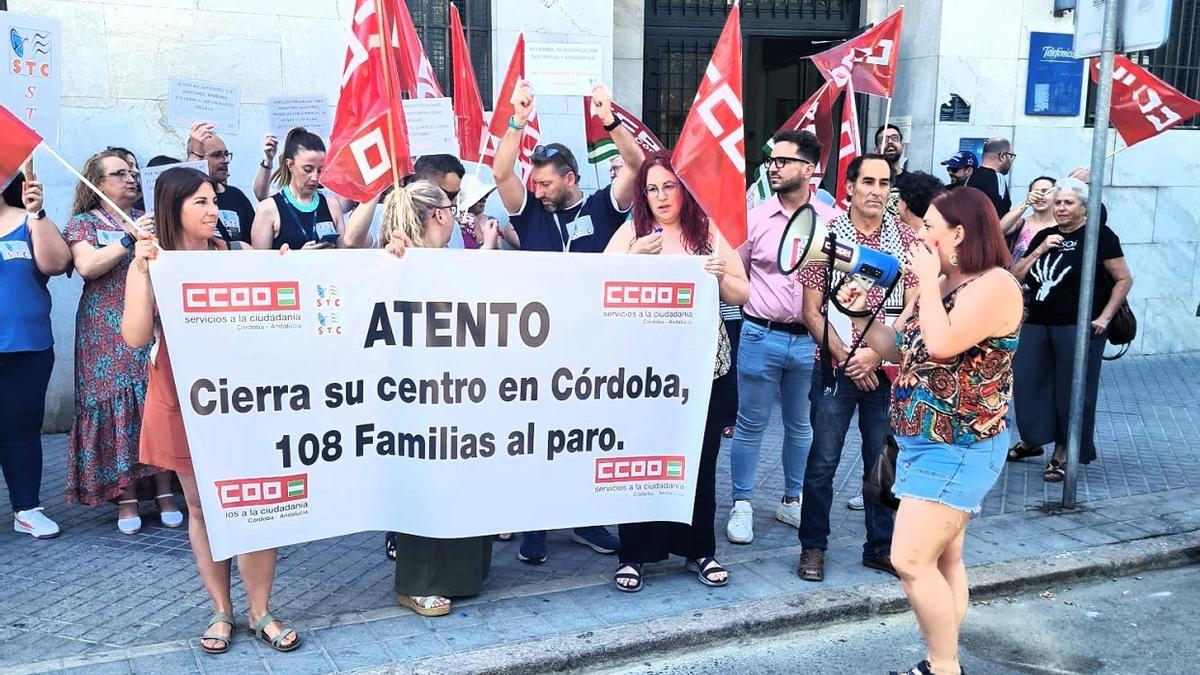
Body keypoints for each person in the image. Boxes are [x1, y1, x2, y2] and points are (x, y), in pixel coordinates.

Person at [839, 187, 1024, 675]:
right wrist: (860, 311)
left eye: (927, 227)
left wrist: (922, 277)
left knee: (909, 559)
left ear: (958, 234)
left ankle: (943, 666)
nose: (918, 234)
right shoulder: (946, 282)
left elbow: (941, 345)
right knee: (944, 562)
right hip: (925, 442)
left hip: (960, 445)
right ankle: (941, 655)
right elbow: (902, 350)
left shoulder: (996, 285)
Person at [122, 167, 300, 654]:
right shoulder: (153, 261)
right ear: (173, 207)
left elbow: (282, 295)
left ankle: (260, 610)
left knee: (256, 504)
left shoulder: (232, 253)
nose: (212, 210)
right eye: (199, 202)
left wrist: (285, 267)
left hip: (243, 399)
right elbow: (136, 336)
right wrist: (141, 271)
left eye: (212, 200)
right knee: (200, 507)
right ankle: (222, 609)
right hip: (181, 398)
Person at [494, 81, 645, 563]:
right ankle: (536, 523)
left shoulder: (603, 206)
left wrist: (610, 119)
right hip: (539, 348)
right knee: (539, 437)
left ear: (571, 178)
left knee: (586, 437)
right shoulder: (530, 213)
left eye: (546, 183)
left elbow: (639, 167)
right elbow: (501, 173)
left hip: (597, 348)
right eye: (535, 182)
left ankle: (585, 519)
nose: (537, 190)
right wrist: (517, 119)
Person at [604, 151, 749, 591]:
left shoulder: (709, 233)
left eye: (669, 186)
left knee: (699, 463)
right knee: (641, 460)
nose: (661, 196)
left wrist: (722, 276)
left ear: (684, 188)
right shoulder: (633, 232)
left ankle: (698, 549)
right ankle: (635, 553)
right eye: (652, 188)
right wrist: (631, 259)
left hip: (704, 370)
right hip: (645, 376)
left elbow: (743, 294)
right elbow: (597, 284)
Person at [370, 179, 495, 616]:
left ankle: (464, 571)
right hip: (418, 395)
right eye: (451, 206)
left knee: (462, 477)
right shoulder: (398, 260)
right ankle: (417, 581)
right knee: (423, 484)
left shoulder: (445, 261)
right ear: (440, 215)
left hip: (460, 390)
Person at [795, 154, 919, 582]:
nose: (876, 191)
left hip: (885, 372)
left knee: (882, 461)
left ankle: (881, 547)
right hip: (835, 369)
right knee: (823, 462)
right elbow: (811, 312)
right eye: (867, 181)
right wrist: (847, 358)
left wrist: (879, 354)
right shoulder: (824, 237)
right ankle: (813, 547)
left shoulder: (906, 239)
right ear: (848, 186)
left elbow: (915, 304)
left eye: (884, 184)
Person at [725, 130, 840, 545]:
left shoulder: (833, 223)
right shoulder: (753, 219)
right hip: (760, 335)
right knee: (749, 424)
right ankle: (741, 504)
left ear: (810, 170)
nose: (774, 167)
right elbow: (731, 274)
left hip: (811, 341)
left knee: (801, 425)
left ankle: (793, 500)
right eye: (772, 161)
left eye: (784, 161)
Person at [64, 149, 182, 533]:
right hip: (103, 327)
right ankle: (126, 498)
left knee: (153, 402)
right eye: (119, 173)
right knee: (119, 407)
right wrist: (130, 243)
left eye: (132, 172)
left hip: (148, 317)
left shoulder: (145, 219)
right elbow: (87, 266)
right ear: (97, 184)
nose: (130, 178)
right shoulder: (84, 223)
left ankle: (165, 492)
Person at [1010, 178, 1133, 482]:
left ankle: (1064, 450)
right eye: (1058, 202)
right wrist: (1039, 251)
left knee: (1073, 389)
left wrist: (1105, 316)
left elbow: (1124, 279)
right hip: (1038, 321)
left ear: (1085, 208)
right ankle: (1036, 437)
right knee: (1028, 381)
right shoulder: (1047, 234)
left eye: (1068, 203)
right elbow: (1016, 275)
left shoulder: (1099, 237)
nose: (1061, 208)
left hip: (1080, 326)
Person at [1, 171, 72, 539]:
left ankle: (26, 508)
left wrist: (37, 213)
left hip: (25, 347)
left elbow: (57, 264)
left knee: (21, 430)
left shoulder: (28, 220)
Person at [250, 127, 347, 251]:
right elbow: (259, 265)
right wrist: (298, 258)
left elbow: (345, 259)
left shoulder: (332, 206)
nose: (315, 178)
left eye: (320, 170)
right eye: (307, 169)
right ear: (290, 165)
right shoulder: (268, 209)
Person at [186, 122, 266, 246]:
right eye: (217, 155)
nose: (226, 160)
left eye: (226, 154)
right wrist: (196, 152)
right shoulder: (186, 199)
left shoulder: (237, 197)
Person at [999, 176, 1056, 263]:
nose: (1039, 196)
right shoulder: (1021, 223)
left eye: (1045, 191)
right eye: (1035, 192)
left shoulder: (1061, 226)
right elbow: (999, 230)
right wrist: (1026, 203)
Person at [964, 138, 1015, 218]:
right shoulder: (998, 178)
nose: (1012, 161)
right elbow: (1001, 218)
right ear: (1002, 156)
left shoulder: (970, 177)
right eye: (1011, 156)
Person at [894, 171, 947, 236]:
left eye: (898, 199)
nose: (897, 204)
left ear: (905, 205)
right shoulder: (944, 239)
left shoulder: (895, 239)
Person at [875, 124, 906, 219]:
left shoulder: (915, 182)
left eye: (895, 138)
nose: (890, 142)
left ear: (902, 146)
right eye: (884, 139)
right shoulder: (870, 182)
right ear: (876, 150)